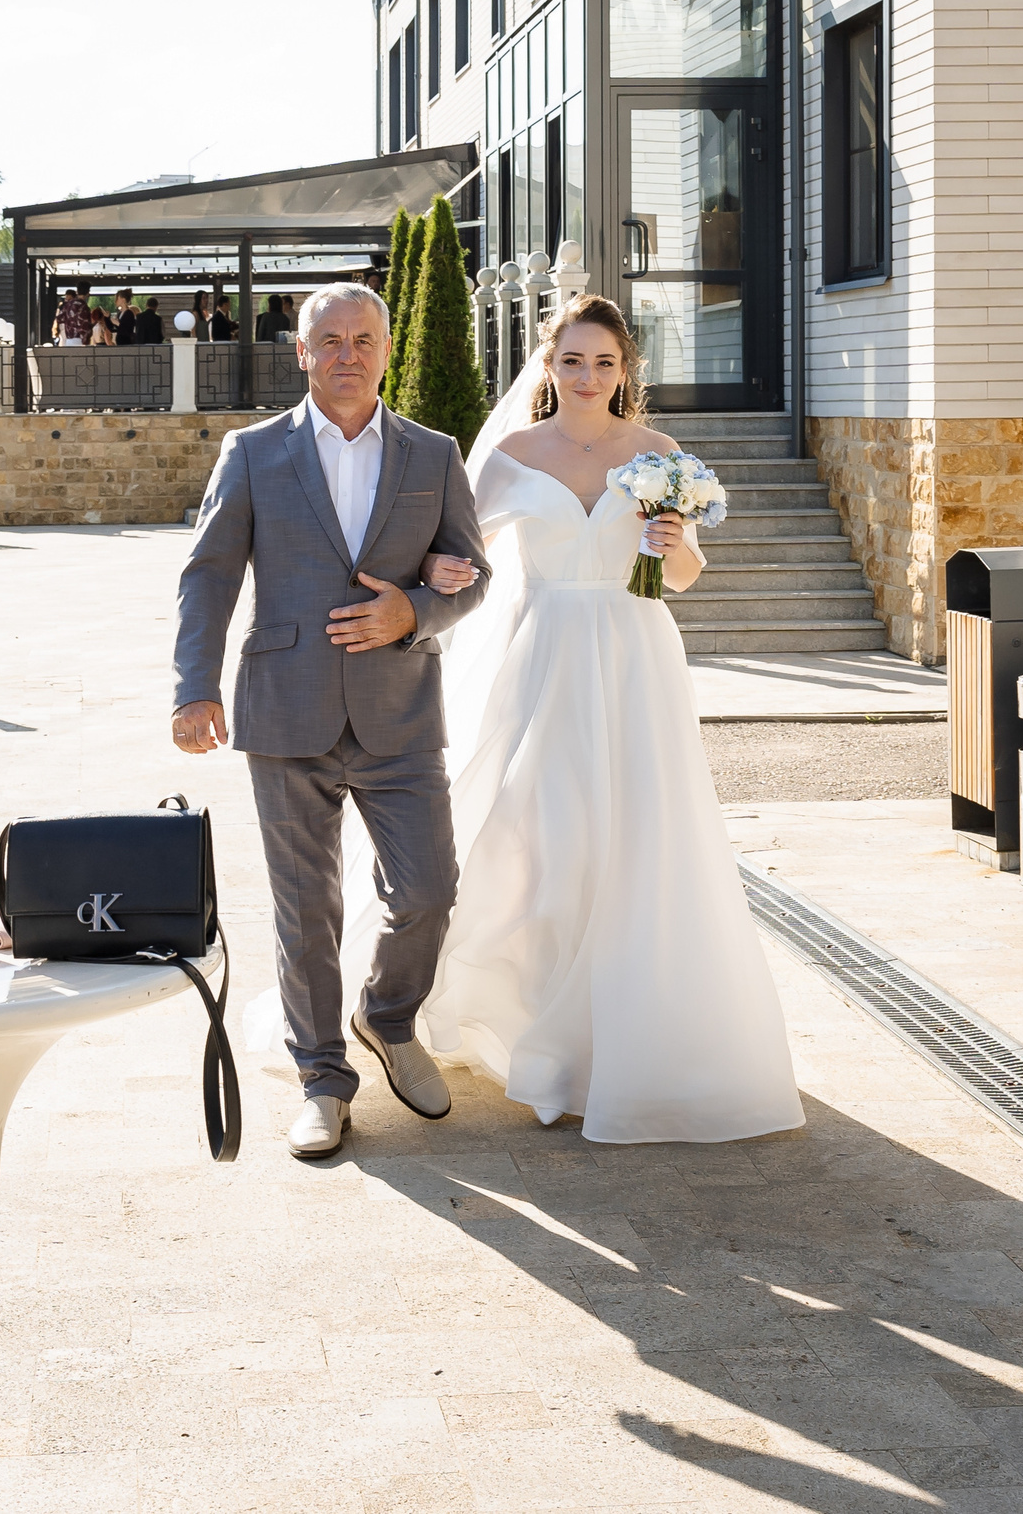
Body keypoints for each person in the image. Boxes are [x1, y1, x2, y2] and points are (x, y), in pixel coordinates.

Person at [407, 293, 802, 1141]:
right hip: (545, 657)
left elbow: (688, 576)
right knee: (542, 840)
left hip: (634, 660)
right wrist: (435, 575)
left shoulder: (661, 454)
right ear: (547, 366)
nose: (589, 377)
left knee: (635, 842)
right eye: (573, 360)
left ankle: (615, 1046)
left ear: (627, 372)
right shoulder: (510, 455)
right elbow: (459, 555)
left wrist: (676, 547)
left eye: (605, 363)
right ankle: (541, 1043)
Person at [170, 282, 490, 1160]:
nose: (347, 353)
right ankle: (321, 1077)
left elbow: (475, 573)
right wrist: (194, 686)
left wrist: (413, 612)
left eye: (363, 338)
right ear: (302, 352)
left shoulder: (434, 454)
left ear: (386, 350)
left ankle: (387, 1017)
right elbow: (209, 575)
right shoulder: (252, 452)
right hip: (285, 708)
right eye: (329, 340)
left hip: (400, 711)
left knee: (428, 887)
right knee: (305, 907)